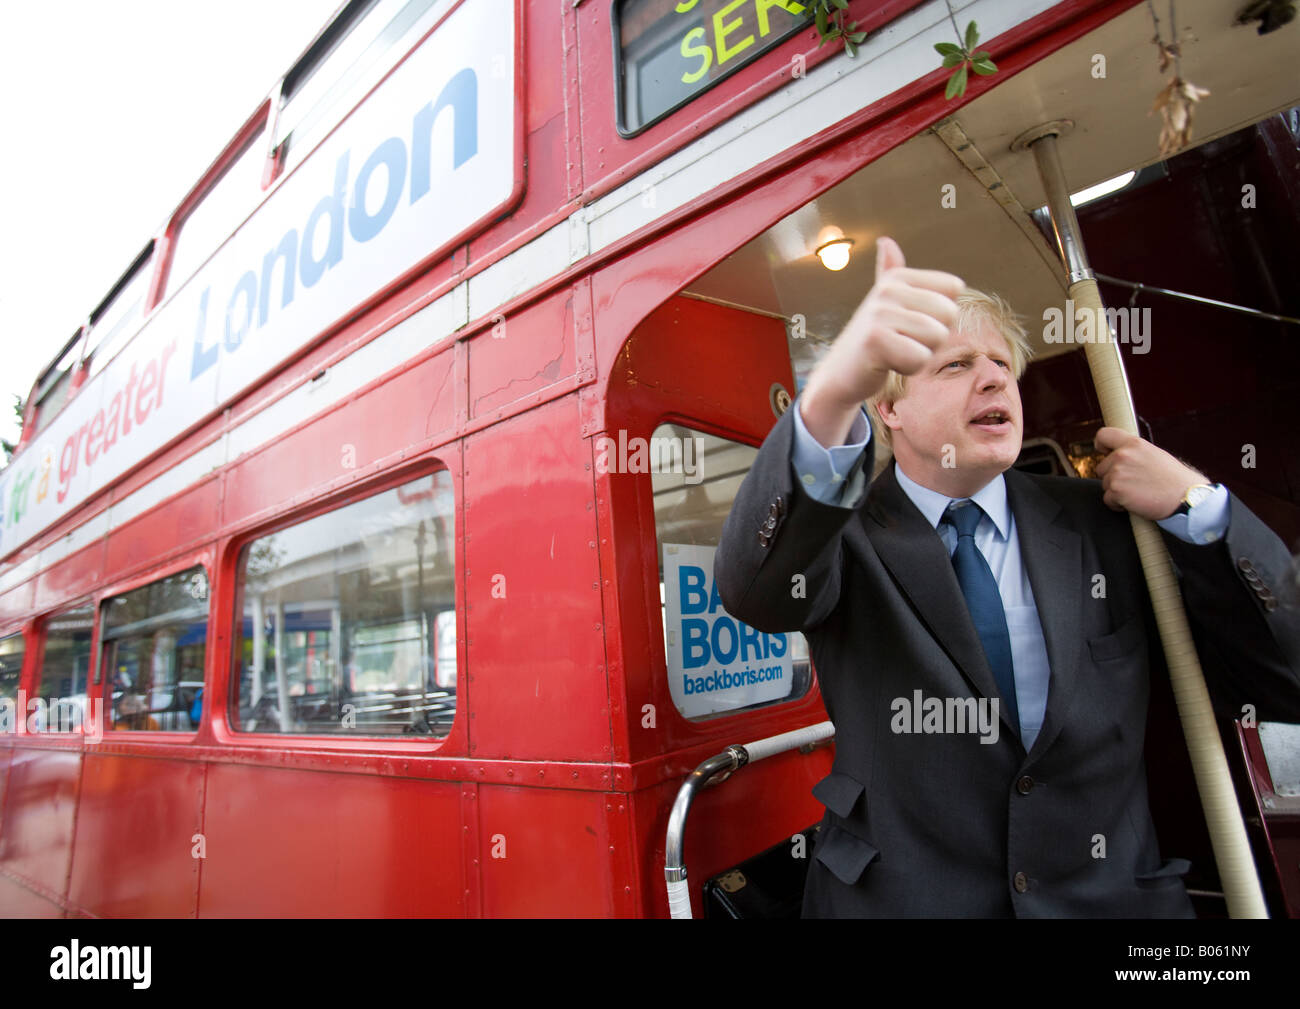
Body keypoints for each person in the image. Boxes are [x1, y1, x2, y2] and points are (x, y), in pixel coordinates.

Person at [714, 237, 1300, 917]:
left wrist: (1197, 505)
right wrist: (837, 387)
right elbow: (751, 590)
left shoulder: (1109, 522)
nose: (993, 379)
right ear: (890, 409)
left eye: (1001, 364)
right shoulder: (842, 536)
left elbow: (1284, 673)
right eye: (958, 364)